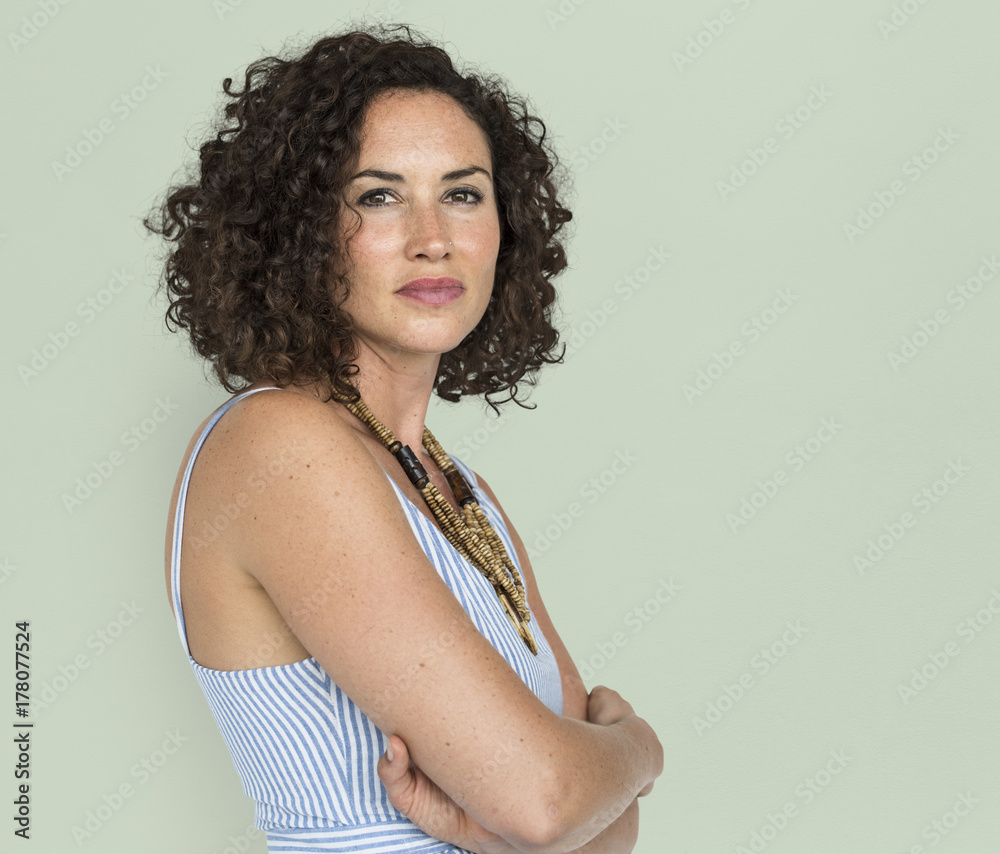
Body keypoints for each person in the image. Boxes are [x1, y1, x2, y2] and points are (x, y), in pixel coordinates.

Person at [145, 22, 663, 854]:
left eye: (463, 194)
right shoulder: (280, 445)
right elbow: (550, 802)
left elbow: (598, 833)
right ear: (298, 230)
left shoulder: (460, 491)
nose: (434, 238)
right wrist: (639, 749)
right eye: (379, 196)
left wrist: (555, 811)